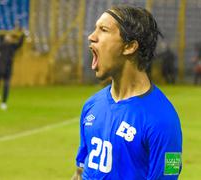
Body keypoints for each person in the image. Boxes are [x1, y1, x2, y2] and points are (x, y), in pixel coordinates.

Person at [72, 5, 182, 180]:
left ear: (130, 46)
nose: (92, 37)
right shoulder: (91, 106)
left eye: (103, 30)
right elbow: (80, 171)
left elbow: (168, 174)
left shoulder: (163, 120)